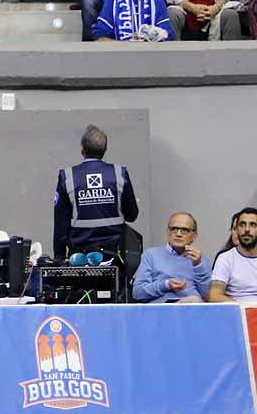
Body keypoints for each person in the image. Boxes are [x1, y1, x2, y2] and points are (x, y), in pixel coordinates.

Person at [53, 125, 139, 261]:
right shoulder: (119, 173)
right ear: (105, 150)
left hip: (79, 258)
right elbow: (132, 215)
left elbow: (61, 224)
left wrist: (59, 257)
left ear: (82, 149)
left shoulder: (67, 176)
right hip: (115, 255)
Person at [133, 213, 211, 303]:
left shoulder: (201, 260)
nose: (178, 234)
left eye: (184, 230)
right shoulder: (151, 255)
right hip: (162, 310)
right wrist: (166, 284)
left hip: (192, 309)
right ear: (167, 232)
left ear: (194, 236)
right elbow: (137, 293)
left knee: (195, 300)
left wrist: (198, 265)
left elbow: (208, 297)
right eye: (174, 229)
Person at [208, 208, 257, 303]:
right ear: (236, 229)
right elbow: (214, 296)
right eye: (242, 225)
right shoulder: (225, 258)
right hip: (238, 313)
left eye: (253, 225)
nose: (247, 230)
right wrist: (245, 309)